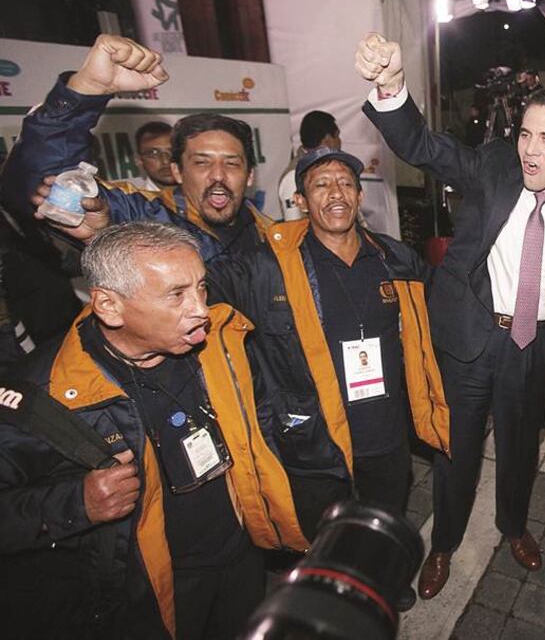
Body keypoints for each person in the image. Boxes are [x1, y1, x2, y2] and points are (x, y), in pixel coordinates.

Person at [356, 32, 545, 599]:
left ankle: (515, 525)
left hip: (535, 346)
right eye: (526, 133)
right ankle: (444, 542)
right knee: (457, 448)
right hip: (471, 338)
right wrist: (390, 86)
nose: (530, 149)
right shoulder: (496, 168)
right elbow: (425, 147)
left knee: (522, 447)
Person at [0, 221, 306, 640]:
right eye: (177, 295)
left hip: (242, 555)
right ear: (109, 306)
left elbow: (261, 411)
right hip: (149, 588)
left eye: (201, 287)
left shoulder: (218, 341)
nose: (200, 307)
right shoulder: (45, 397)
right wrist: (77, 502)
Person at [205, 147, 450, 551]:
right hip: (315, 443)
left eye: (346, 183)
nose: (335, 193)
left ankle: (383, 583)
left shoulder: (394, 258)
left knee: (383, 525)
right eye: (321, 185)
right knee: (329, 539)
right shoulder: (266, 268)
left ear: (359, 195)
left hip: (386, 434)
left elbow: (446, 304)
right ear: (300, 201)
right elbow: (196, 284)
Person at [0, 34, 272, 261]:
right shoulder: (144, 219)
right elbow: (40, 178)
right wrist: (89, 88)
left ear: (249, 175)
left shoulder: (275, 237)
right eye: (201, 162)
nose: (218, 175)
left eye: (232, 163)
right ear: (176, 171)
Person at [278, 110, 341, 221]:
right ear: (328, 139)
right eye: (337, 136)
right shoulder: (293, 176)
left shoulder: (331, 167)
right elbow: (294, 226)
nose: (339, 142)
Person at [129, 120, 179, 191]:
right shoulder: (133, 201)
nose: (165, 161)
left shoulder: (198, 197)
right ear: (138, 160)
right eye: (154, 153)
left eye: (172, 151)